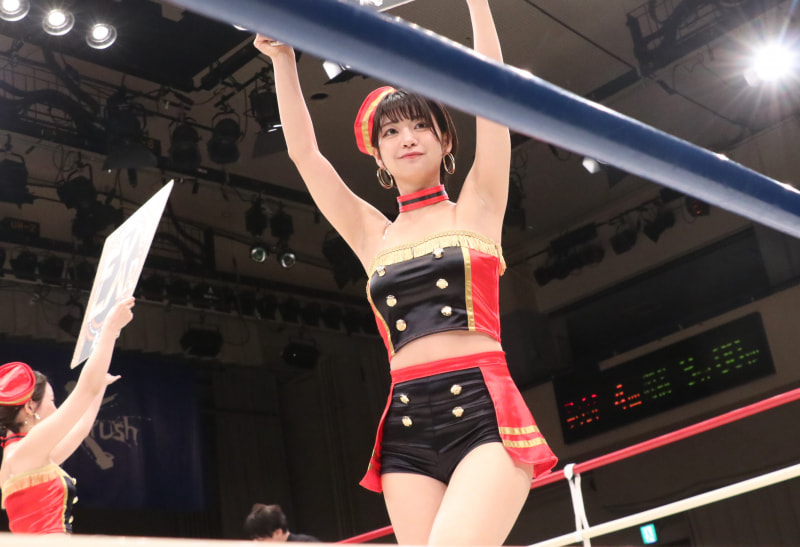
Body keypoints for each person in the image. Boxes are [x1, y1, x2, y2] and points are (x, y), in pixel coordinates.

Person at [253, 1, 557, 544]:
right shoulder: (372, 233)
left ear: (445, 141)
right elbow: (305, 155)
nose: (407, 138)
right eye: (391, 131)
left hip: (484, 410)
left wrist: (479, 4)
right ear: (377, 154)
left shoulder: (478, 207)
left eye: (420, 126)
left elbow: (495, 95)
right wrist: (283, 60)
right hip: (407, 421)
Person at [0, 297, 135, 534]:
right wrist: (110, 329)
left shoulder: (23, 453)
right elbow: (85, 390)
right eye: (51, 401)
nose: (55, 408)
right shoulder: (27, 450)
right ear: (29, 408)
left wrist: (99, 387)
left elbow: (80, 429)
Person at [244, 503, 319, 542]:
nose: (256, 543)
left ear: (278, 532)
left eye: (261, 540)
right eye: (254, 539)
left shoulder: (307, 544)